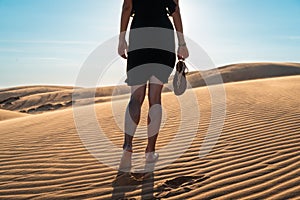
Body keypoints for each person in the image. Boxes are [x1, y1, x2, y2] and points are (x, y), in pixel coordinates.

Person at [118, 0, 189, 163]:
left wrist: (122, 40)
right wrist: (182, 44)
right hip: (163, 37)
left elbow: (127, 7)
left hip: (139, 35)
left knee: (136, 98)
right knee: (155, 99)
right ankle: (150, 152)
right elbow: (175, 11)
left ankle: (127, 147)